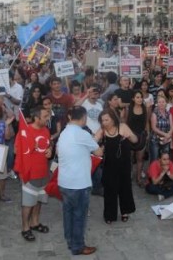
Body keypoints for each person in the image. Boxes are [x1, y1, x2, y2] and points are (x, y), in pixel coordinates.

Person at [57, 106, 104, 256]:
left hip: (64, 181)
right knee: (79, 215)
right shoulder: (82, 134)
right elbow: (98, 151)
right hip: (79, 182)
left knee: (68, 213)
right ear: (83, 118)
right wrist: (98, 141)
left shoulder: (64, 132)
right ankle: (78, 246)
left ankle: (70, 240)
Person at [15, 106, 52, 242]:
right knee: (28, 203)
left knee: (39, 199)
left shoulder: (46, 130)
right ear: (36, 118)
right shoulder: (25, 131)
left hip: (43, 172)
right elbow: (16, 150)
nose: (48, 119)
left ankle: (35, 223)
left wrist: (50, 150)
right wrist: (30, 148)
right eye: (45, 117)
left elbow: (48, 145)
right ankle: (25, 228)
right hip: (30, 173)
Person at [95, 109, 138, 224]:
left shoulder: (122, 126)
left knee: (125, 187)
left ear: (113, 119)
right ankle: (109, 215)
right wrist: (98, 149)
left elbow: (135, 140)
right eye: (102, 120)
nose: (104, 122)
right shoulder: (102, 131)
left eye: (107, 120)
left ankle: (125, 211)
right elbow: (92, 141)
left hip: (124, 164)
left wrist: (129, 136)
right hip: (109, 165)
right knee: (109, 189)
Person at [126, 90, 149, 187]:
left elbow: (147, 122)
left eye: (141, 97)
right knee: (129, 159)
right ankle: (128, 176)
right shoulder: (128, 108)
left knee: (140, 159)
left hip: (141, 137)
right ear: (133, 99)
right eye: (137, 97)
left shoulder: (145, 108)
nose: (140, 99)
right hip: (130, 137)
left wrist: (148, 134)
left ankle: (139, 178)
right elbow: (125, 123)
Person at [150, 95, 173, 162]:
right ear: (157, 103)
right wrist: (165, 134)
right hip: (155, 140)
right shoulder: (154, 113)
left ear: (166, 103)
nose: (161, 103)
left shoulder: (169, 114)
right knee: (154, 159)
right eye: (159, 102)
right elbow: (154, 128)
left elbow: (172, 126)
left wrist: (168, 135)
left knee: (165, 158)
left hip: (166, 140)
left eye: (163, 102)